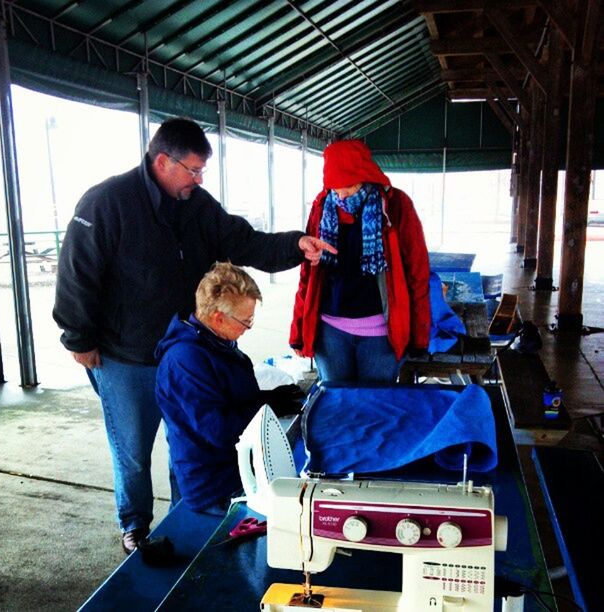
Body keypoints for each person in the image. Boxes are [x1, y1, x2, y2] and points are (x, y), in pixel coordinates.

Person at [52, 117, 332, 553]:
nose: (199, 180)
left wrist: (295, 245)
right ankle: (135, 526)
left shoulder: (197, 205)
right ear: (163, 161)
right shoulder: (107, 202)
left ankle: (183, 519)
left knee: (187, 442)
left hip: (187, 349)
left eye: (203, 171)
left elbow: (246, 242)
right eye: (193, 170)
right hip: (126, 355)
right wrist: (78, 337)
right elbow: (76, 273)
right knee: (132, 448)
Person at [155, 262, 303, 514]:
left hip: (236, 469)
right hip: (216, 486)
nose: (249, 327)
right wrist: (266, 408)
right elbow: (218, 430)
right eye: (246, 320)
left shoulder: (215, 340)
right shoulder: (185, 361)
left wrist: (269, 400)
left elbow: (228, 400)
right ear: (218, 317)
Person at [290, 139, 431, 383]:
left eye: (349, 186)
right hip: (330, 332)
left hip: (380, 334)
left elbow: (417, 273)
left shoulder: (396, 206)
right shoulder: (322, 206)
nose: (342, 194)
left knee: (374, 407)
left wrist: (419, 335)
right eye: (335, 187)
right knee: (337, 405)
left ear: (365, 175)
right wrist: (299, 329)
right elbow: (307, 273)